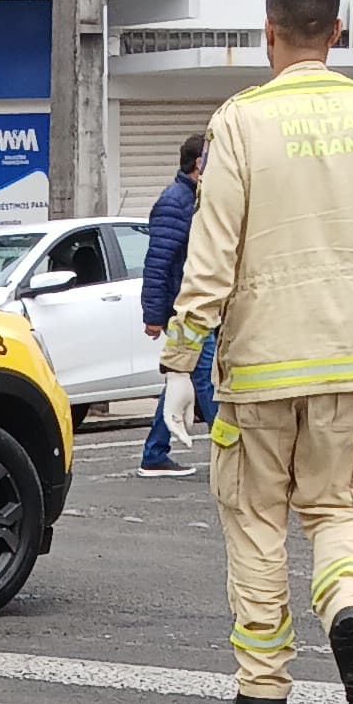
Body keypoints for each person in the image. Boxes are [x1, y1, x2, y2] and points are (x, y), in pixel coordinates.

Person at [158, 0, 353, 704]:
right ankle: (349, 603)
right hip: (350, 361)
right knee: (341, 510)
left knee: (255, 522)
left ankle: (263, 691)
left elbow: (209, 263)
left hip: (260, 369)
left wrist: (181, 362)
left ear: (268, 30)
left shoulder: (240, 122)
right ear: (337, 31)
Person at [138, 127, 208, 474]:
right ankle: (237, 451)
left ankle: (154, 454)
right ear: (200, 162)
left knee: (185, 375)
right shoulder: (175, 202)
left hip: (197, 304)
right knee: (205, 374)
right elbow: (158, 262)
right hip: (185, 310)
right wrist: (153, 315)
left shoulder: (197, 199)